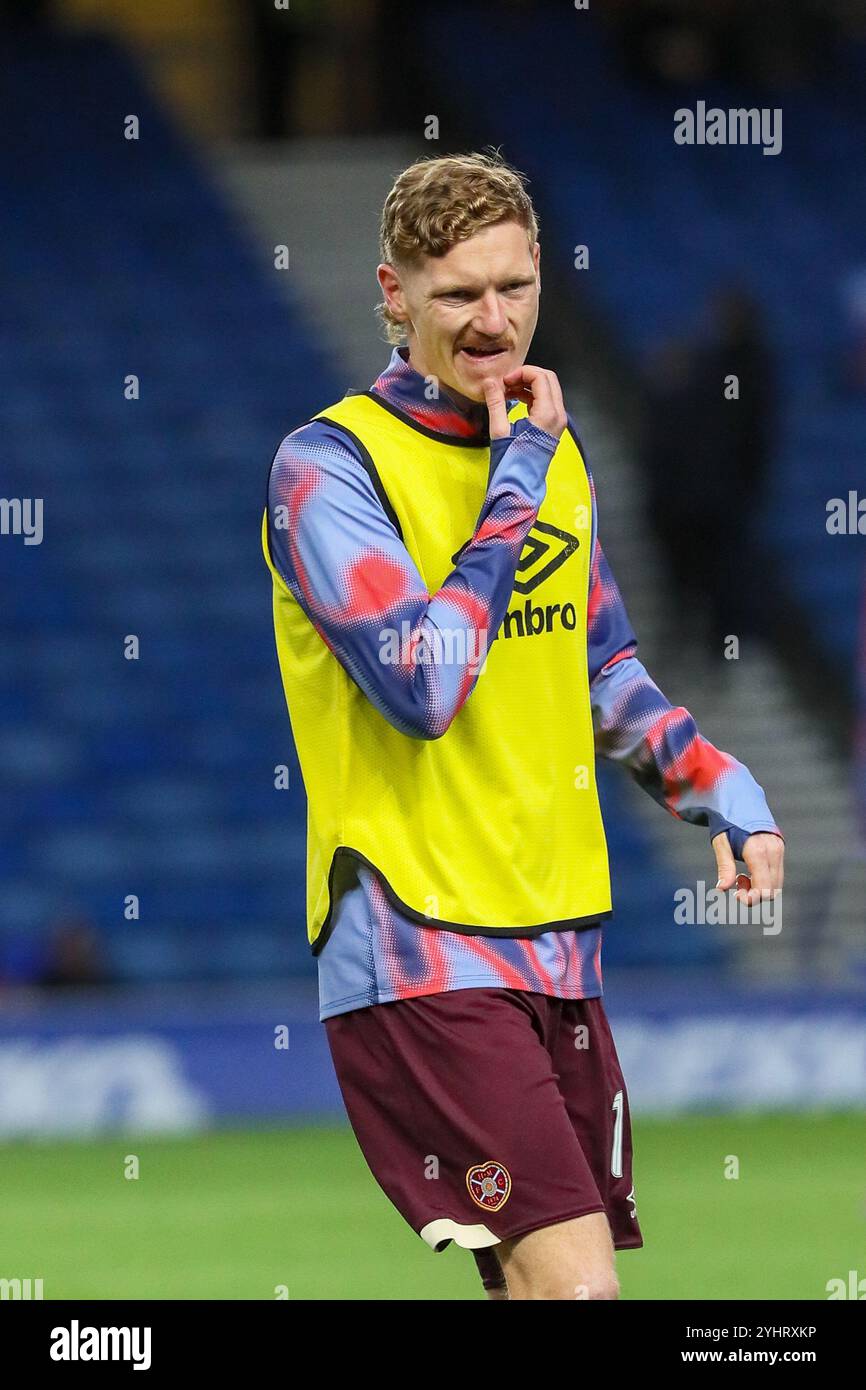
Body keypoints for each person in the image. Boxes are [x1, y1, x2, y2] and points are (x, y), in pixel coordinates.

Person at [262, 151, 785, 1300]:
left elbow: (600, 671)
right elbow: (422, 680)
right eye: (456, 295)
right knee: (577, 1290)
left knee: (530, 1290)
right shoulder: (328, 468)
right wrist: (512, 482)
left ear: (541, 273)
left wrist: (717, 782)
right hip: (417, 938)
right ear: (394, 295)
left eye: (512, 287)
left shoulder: (551, 455)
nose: (492, 322)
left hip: (554, 935)